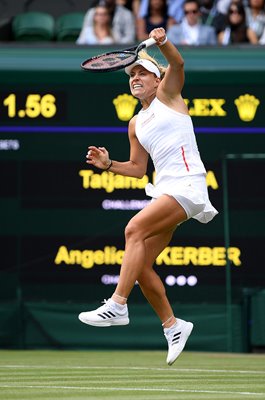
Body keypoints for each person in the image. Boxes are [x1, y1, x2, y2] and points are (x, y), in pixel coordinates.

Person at [79, 27, 218, 366]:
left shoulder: (170, 96)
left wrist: (162, 43)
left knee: (133, 230)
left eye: (143, 72)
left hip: (188, 186)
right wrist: (109, 164)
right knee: (139, 265)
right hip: (165, 190)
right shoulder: (135, 123)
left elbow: (178, 63)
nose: (135, 77)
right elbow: (139, 169)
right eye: (132, 74)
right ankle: (173, 325)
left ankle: (117, 305)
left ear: (159, 81)